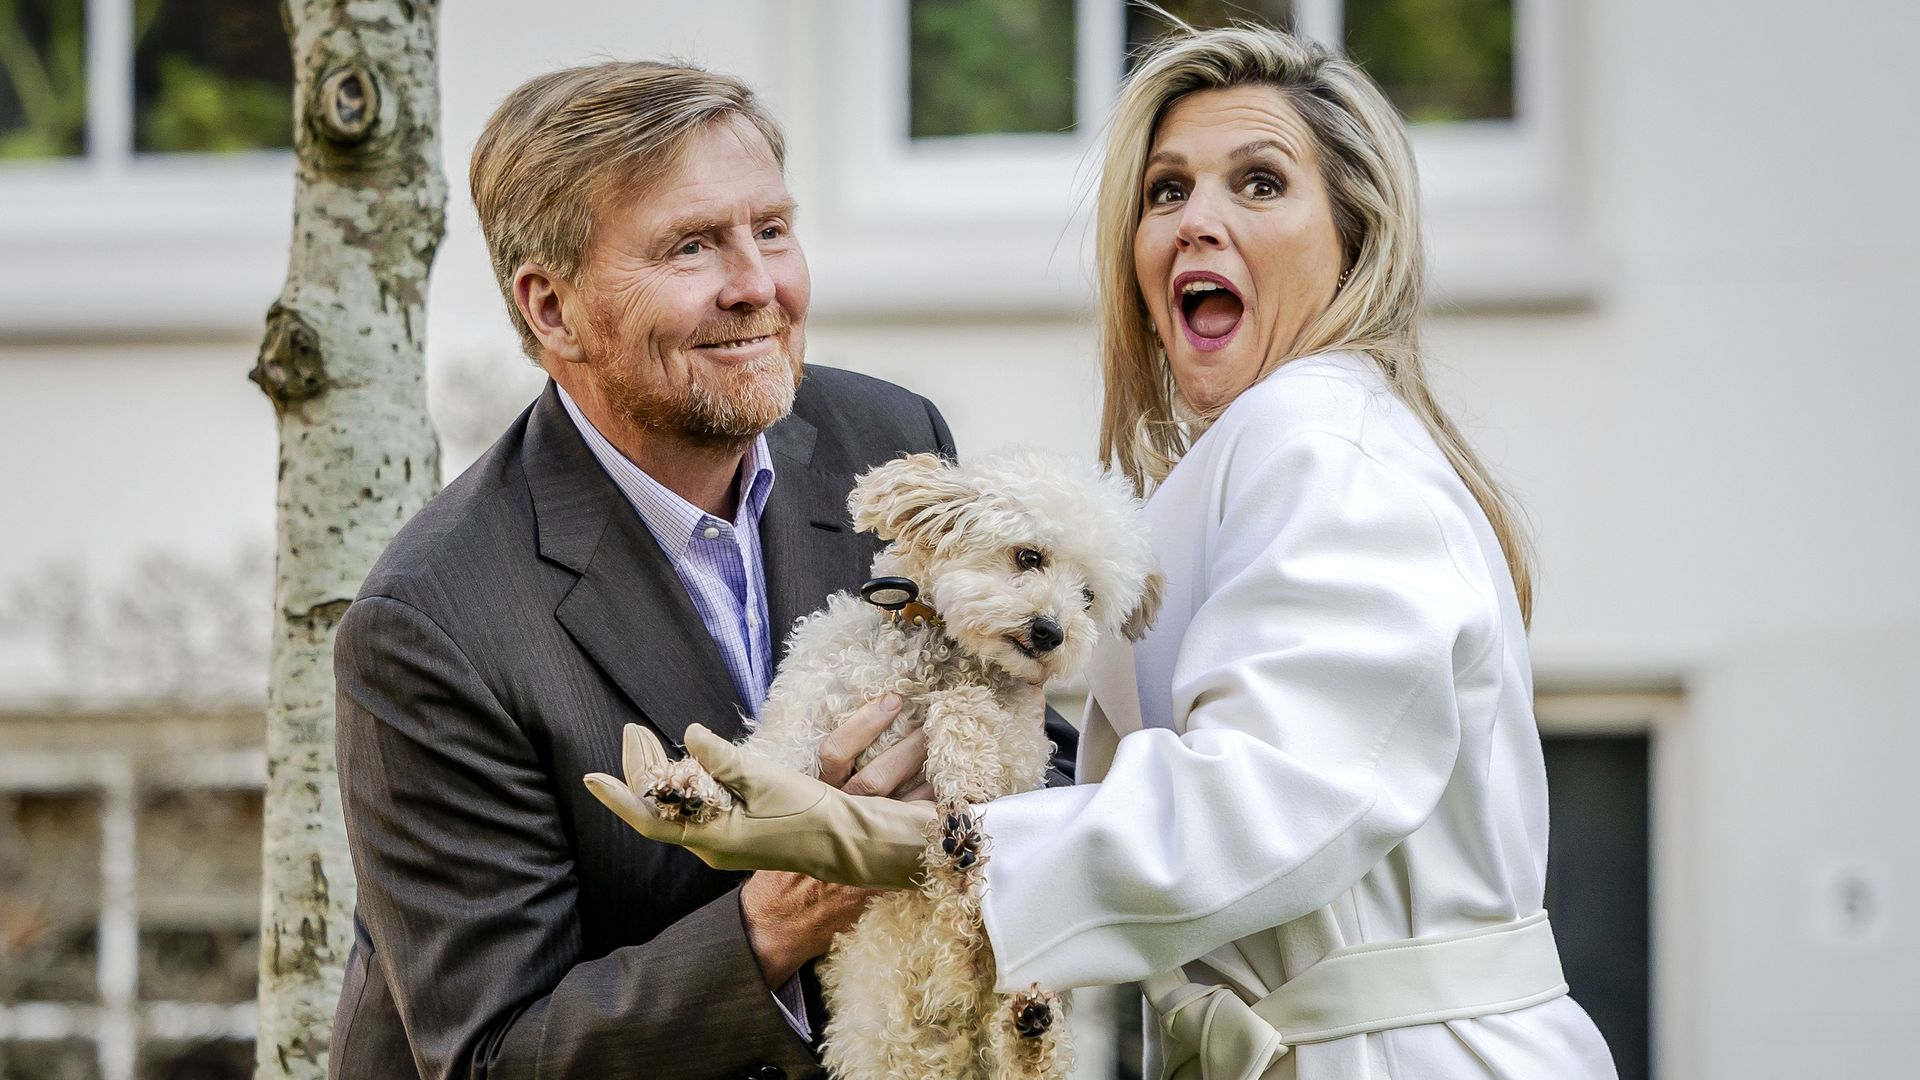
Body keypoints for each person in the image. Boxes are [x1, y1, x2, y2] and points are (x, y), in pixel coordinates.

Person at [588, 26, 1618, 1079]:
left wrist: (906, 845)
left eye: (1260, 184)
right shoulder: (1236, 461)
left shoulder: (1322, 439)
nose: (1197, 221)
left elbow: (1271, 804)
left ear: (1353, 238)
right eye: (1166, 191)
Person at [326, 61, 1078, 1080]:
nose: (758, 286)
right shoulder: (433, 622)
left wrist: (962, 818)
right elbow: (497, 1058)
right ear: (551, 309)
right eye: (691, 246)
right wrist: (796, 902)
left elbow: (1039, 745)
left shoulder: (889, 437)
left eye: (771, 229)